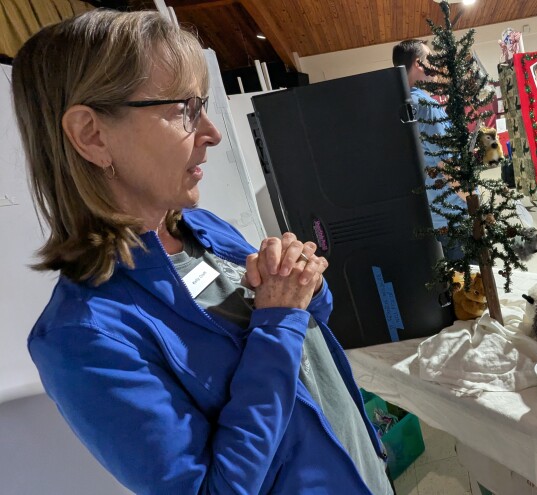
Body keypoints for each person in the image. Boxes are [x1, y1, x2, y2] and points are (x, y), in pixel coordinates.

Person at [13, 10, 393, 495]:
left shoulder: (199, 227)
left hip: (360, 468)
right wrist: (277, 322)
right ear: (92, 134)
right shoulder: (81, 338)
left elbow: (308, 327)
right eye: (185, 109)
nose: (211, 132)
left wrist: (305, 285)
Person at [393, 39, 468, 258]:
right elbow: (447, 163)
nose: (434, 66)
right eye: (431, 59)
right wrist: (474, 203)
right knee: (475, 285)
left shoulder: (401, 105)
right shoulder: (425, 105)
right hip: (455, 215)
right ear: (418, 63)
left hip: (433, 215)